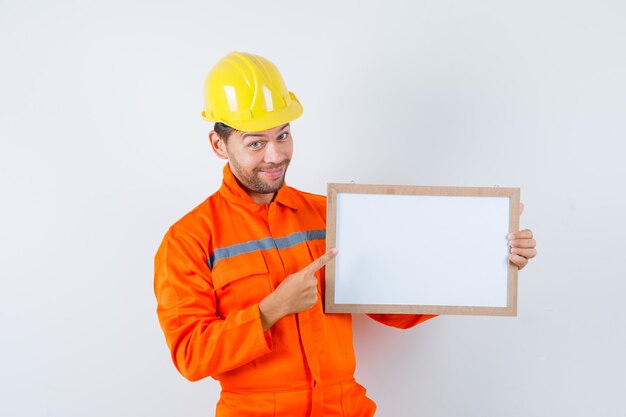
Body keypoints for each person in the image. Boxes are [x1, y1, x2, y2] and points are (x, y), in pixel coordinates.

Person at [154, 51, 537, 417]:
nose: (275, 156)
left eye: (283, 136)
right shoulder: (189, 240)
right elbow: (190, 354)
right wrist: (271, 309)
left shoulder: (331, 214)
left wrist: (488, 256)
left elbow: (395, 307)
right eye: (255, 143)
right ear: (218, 144)